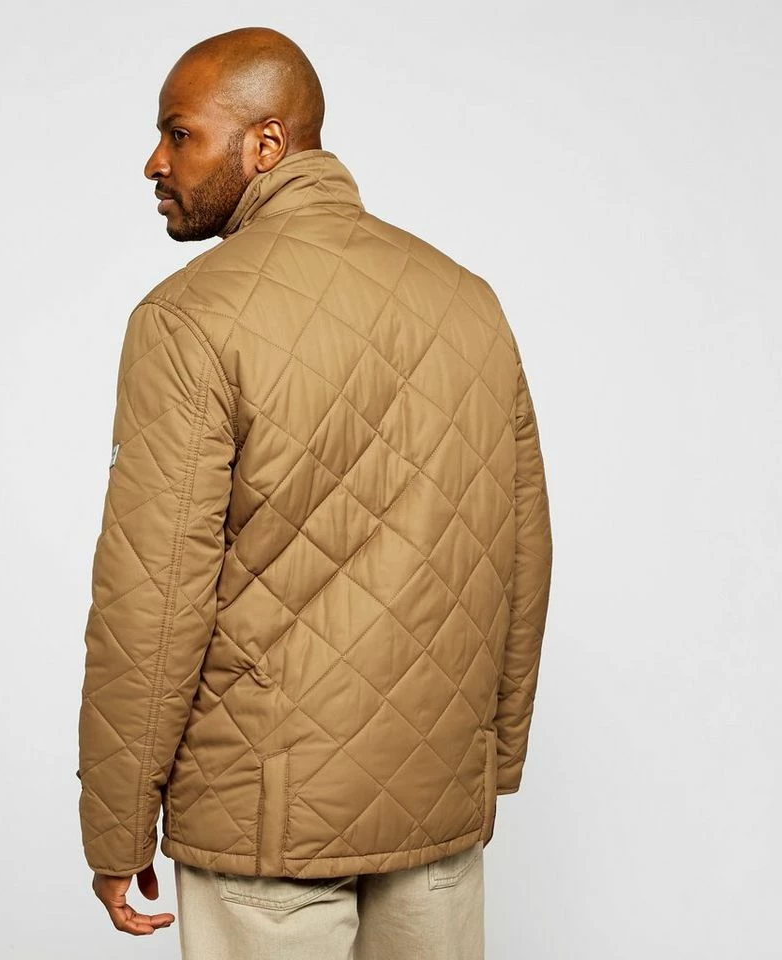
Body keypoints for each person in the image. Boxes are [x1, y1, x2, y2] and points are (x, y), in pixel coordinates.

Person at [77, 25, 553, 960]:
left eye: (179, 134)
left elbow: (152, 599)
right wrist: (492, 758)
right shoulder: (467, 300)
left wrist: (116, 825)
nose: (155, 162)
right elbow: (522, 551)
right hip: (436, 799)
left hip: (264, 825)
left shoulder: (189, 318)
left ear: (267, 143)